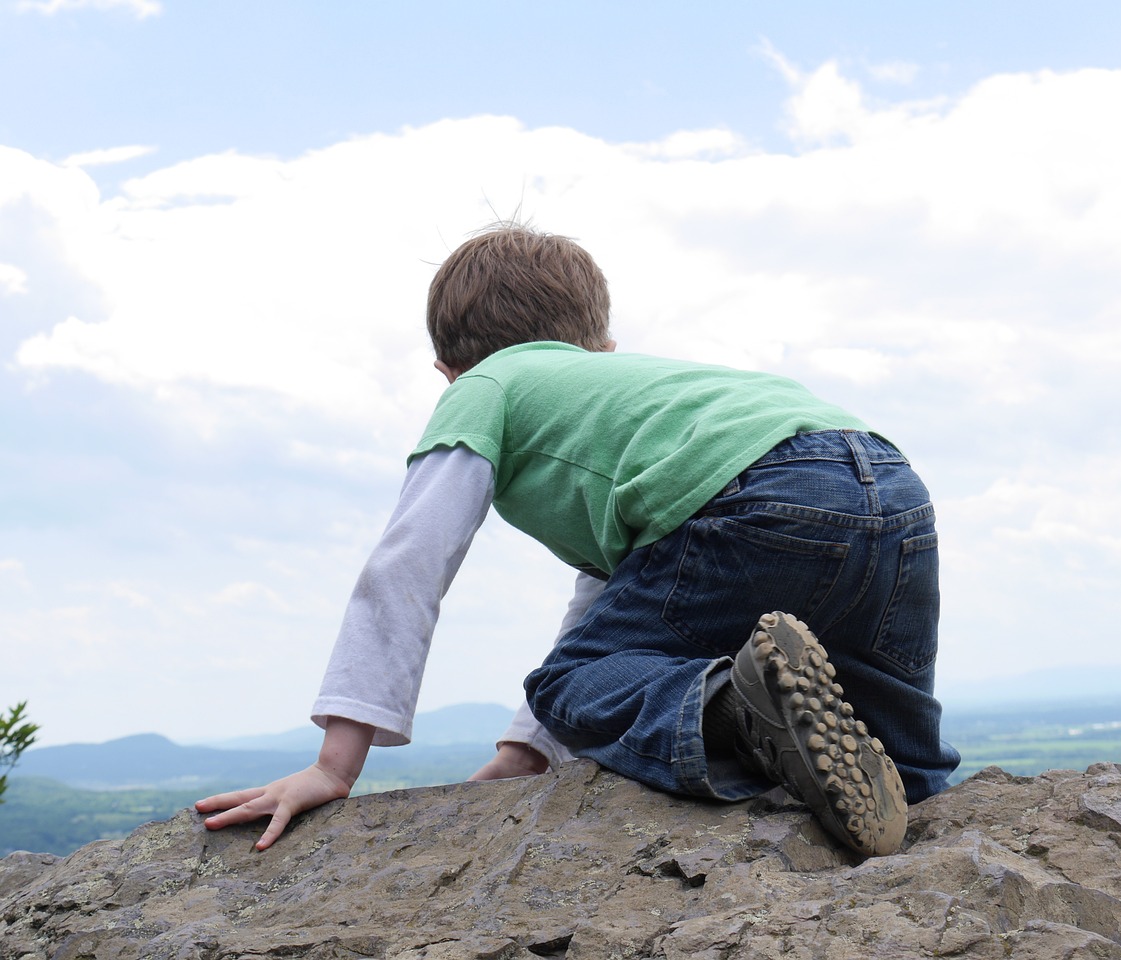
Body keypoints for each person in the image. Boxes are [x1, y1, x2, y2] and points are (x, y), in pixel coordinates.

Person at [197, 225, 960, 857]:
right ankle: (903, 790)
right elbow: (613, 598)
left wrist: (336, 766)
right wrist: (523, 756)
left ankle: (737, 706)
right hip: (887, 484)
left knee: (564, 687)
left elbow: (408, 565)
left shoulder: (485, 386)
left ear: (446, 370)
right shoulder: (640, 391)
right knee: (904, 762)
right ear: (599, 344)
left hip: (751, 494)